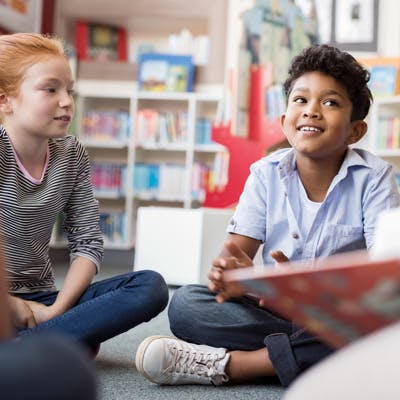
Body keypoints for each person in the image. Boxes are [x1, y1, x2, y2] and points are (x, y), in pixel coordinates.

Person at [135, 44, 400, 387]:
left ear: (355, 131)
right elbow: (232, 259)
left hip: (342, 316)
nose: (312, 111)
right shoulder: (265, 173)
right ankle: (318, 355)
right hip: (275, 310)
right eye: (301, 100)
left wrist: (314, 301)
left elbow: (388, 281)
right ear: (284, 120)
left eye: (331, 102)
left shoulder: (375, 178)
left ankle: (234, 365)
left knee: (386, 328)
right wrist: (231, 276)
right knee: (187, 304)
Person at [0, 32, 169, 351]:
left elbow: (88, 241)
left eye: (69, 90)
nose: (66, 101)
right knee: (84, 342)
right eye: (51, 89)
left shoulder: (72, 153)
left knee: (151, 287)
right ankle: (58, 343)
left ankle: (35, 344)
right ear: (5, 100)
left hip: (43, 297)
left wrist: (55, 312)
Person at [0, 233, 97, 400]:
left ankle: (35, 332)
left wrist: (54, 311)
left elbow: (87, 245)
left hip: (44, 299)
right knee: (69, 367)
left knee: (147, 286)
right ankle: (67, 332)